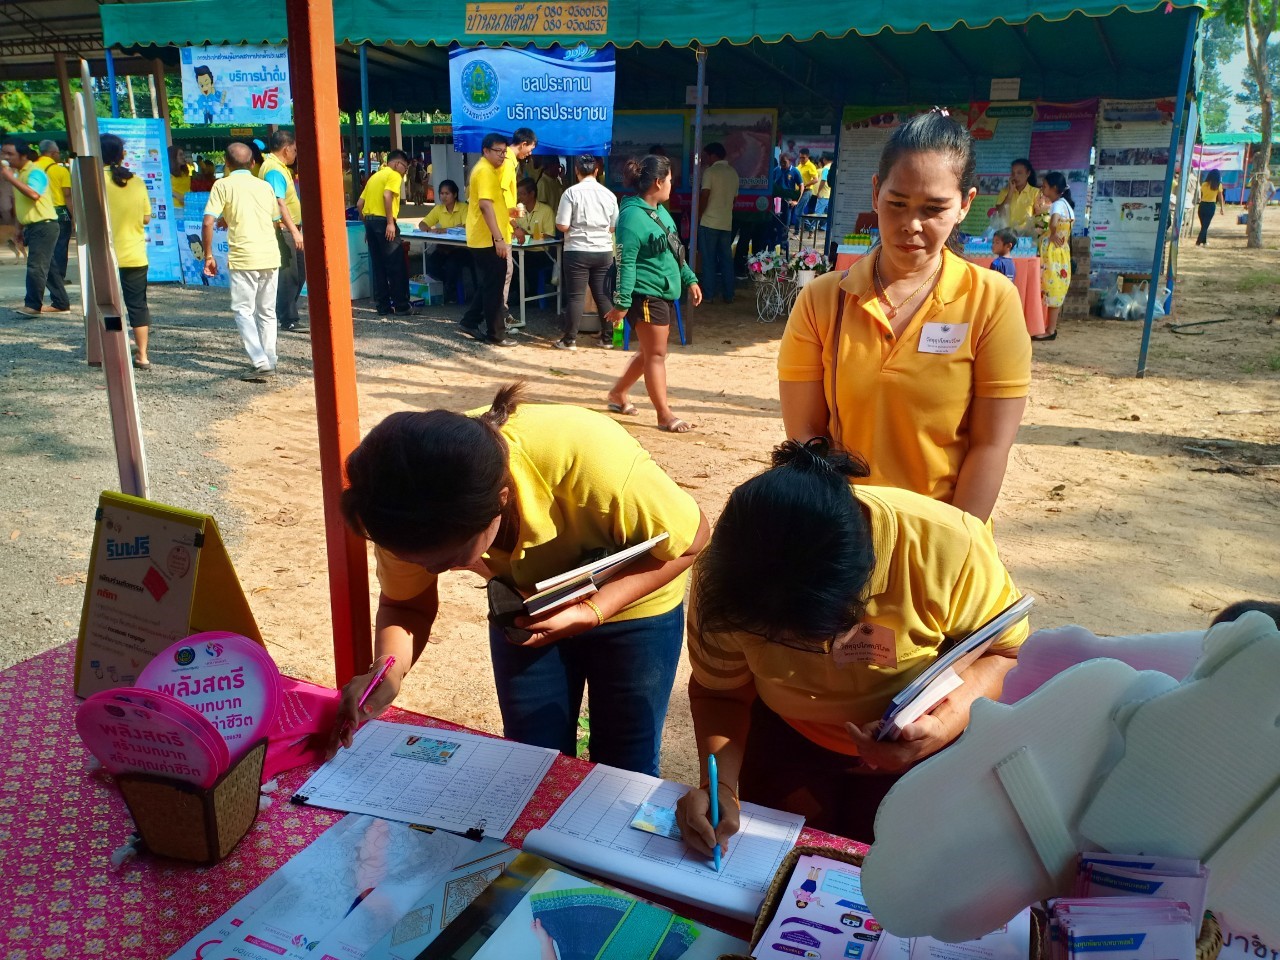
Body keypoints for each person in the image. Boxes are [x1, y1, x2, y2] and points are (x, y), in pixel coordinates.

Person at [332, 382, 710, 777]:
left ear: (501, 500)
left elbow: (693, 538)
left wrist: (593, 610)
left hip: (635, 606)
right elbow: (405, 604)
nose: (432, 571)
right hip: (526, 606)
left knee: (624, 764)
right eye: (420, 561)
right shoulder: (399, 506)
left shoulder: (588, 462)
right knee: (529, 762)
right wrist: (388, 670)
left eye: (449, 560)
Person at [674, 439, 1028, 844]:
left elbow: (1004, 652)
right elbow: (721, 694)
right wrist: (719, 787)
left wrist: (941, 726)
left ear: (865, 577)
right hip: (783, 742)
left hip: (916, 755)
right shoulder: (727, 578)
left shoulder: (948, 544)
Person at [777, 110, 1031, 521]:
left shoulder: (991, 302)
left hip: (941, 536)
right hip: (843, 539)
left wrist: (953, 548)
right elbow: (807, 439)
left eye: (934, 209)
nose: (911, 224)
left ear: (965, 204)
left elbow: (990, 446)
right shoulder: (823, 301)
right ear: (876, 192)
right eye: (897, 203)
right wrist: (839, 538)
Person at [606, 155, 704, 434]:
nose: (672, 185)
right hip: (647, 294)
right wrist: (623, 303)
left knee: (650, 352)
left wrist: (690, 278)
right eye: (671, 180)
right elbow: (626, 262)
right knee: (657, 355)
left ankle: (617, 394)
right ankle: (664, 414)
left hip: (663, 291)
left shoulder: (660, 212)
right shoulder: (631, 218)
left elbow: (675, 250)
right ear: (658, 182)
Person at [201, 141, 282, 382]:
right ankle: (270, 358)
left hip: (244, 256)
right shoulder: (264, 186)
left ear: (226, 164)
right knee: (267, 311)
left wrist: (208, 255)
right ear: (253, 163)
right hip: (269, 254)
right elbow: (274, 220)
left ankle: (259, 361)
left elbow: (207, 222)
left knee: (243, 310)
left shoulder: (222, 185)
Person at [460, 133, 520, 346]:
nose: (502, 155)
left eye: (504, 151)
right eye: (498, 151)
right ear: (485, 151)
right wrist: (499, 239)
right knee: (495, 287)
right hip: (487, 239)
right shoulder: (485, 170)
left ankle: (470, 321)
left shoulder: (490, 169)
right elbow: (485, 206)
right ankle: (496, 335)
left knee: (490, 282)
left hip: (486, 237)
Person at [1, 137, 71, 317]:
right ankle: (61, 303)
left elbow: (33, 194)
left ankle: (32, 306)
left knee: (36, 266)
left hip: (45, 225)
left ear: (23, 155)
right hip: (32, 225)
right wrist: (18, 227)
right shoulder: (19, 174)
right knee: (50, 267)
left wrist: (9, 178)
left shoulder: (35, 172)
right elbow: (21, 204)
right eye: (3, 153)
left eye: (10, 153)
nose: (5, 157)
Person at [555, 154, 619, 350]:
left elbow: (562, 225)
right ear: (597, 170)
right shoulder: (609, 195)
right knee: (603, 295)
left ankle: (569, 340)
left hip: (576, 251)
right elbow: (613, 227)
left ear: (576, 170)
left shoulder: (570, 193)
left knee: (576, 296)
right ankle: (608, 339)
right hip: (603, 251)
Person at [101, 134, 153, 370]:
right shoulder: (138, 181)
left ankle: (113, 352)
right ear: (122, 154)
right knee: (138, 305)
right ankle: (142, 355)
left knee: (108, 304)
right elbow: (146, 217)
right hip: (135, 253)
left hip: (104, 255)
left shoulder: (94, 181)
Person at [260, 129, 306, 332]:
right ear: (286, 149)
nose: (296, 154)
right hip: (283, 229)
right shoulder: (275, 170)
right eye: (295, 150)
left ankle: (285, 312)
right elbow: (279, 203)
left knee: (298, 273)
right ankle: (288, 317)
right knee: (290, 275)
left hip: (288, 228)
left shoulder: (275, 166)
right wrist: (294, 231)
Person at [357, 148, 411, 317]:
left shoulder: (374, 177)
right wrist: (389, 222)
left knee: (378, 266)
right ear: (396, 164)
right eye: (405, 167)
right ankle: (402, 306)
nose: (404, 172)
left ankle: (383, 306)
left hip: (371, 222)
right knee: (396, 264)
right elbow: (387, 195)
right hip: (384, 222)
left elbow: (359, 203)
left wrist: (367, 226)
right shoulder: (393, 175)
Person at [1034, 171, 1075, 342]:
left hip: (1053, 252)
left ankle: (1050, 329)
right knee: (1055, 289)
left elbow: (1054, 221)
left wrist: (1051, 232)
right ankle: (1049, 327)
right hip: (1062, 252)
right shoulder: (1067, 204)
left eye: (1045, 187)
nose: (1043, 190)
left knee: (1051, 289)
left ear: (1054, 188)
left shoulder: (1057, 205)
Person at [417, 178, 471, 303]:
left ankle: (450, 290)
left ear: (455, 194)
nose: (444, 197)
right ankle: (445, 286)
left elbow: (465, 227)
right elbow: (422, 223)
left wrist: (444, 230)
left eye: (447, 193)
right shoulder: (438, 209)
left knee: (452, 265)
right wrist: (428, 229)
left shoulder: (464, 208)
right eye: (442, 193)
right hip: (444, 247)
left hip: (462, 249)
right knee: (431, 263)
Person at [509, 177, 557, 318]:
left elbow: (549, 235)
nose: (520, 197)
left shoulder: (546, 210)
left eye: (523, 193)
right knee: (505, 259)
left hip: (540, 252)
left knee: (526, 263)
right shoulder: (517, 209)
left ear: (532, 194)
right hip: (520, 249)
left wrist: (528, 234)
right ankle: (515, 292)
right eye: (518, 193)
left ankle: (529, 293)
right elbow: (508, 226)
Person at [698, 142, 739, 305]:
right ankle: (729, 294)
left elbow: (705, 194)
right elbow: (735, 199)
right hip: (726, 223)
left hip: (709, 222)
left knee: (708, 260)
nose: (705, 159)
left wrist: (699, 215)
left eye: (706, 155)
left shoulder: (710, 172)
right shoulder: (733, 173)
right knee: (726, 260)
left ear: (713, 155)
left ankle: (708, 295)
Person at [33, 141, 73, 291]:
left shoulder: (32, 168)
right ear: (53, 153)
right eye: (57, 153)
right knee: (61, 246)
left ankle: (43, 279)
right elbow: (67, 195)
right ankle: (59, 278)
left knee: (41, 249)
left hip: (38, 212)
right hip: (60, 212)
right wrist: (74, 216)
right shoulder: (60, 171)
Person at [988, 159, 1038, 234]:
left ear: (1028, 173)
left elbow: (1038, 217)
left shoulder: (1036, 192)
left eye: (1019, 173)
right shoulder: (1004, 192)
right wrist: (1010, 192)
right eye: (1013, 173)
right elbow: (1000, 214)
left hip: (1026, 236)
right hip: (1006, 235)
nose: (1015, 176)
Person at [770, 154, 803, 249]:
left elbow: (801, 185)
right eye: (781, 162)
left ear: (790, 161)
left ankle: (783, 245)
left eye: (784, 162)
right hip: (776, 200)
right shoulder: (776, 170)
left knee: (785, 224)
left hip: (787, 201)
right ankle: (774, 245)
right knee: (775, 223)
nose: (782, 164)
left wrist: (796, 201)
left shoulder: (795, 171)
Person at [1196, 169, 1225, 246]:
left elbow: (1202, 194)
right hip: (1211, 205)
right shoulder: (1218, 185)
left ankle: (1204, 241)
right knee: (1205, 226)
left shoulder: (1204, 184)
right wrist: (1222, 208)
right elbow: (1220, 197)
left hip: (1202, 205)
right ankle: (1198, 242)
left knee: (1204, 225)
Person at [794, 148, 820, 228]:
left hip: (807, 191)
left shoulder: (810, 166)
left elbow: (816, 179)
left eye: (803, 157)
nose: (801, 159)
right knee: (799, 212)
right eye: (800, 157)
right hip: (798, 192)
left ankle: (802, 230)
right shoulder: (799, 166)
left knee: (798, 211)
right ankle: (806, 229)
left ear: (808, 157)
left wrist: (805, 185)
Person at [169, 145, 192, 214]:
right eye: (180, 155)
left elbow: (187, 188)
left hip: (188, 206)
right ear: (173, 157)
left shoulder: (184, 172)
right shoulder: (167, 173)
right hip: (175, 207)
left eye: (183, 154)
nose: (183, 157)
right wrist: (177, 195)